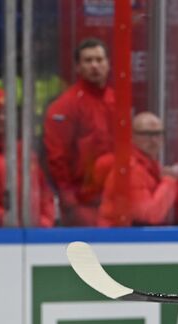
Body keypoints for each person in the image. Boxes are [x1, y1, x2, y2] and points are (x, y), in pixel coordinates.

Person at [43, 38, 116, 226]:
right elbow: (57, 155)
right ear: (78, 67)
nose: (95, 65)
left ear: (108, 64)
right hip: (82, 201)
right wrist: (68, 197)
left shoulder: (116, 100)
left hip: (115, 196)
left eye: (99, 60)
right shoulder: (65, 105)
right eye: (88, 60)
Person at [0, 86, 56, 227]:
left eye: (6, 113)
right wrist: (8, 221)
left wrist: (44, 221)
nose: (2, 118)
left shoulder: (24, 152)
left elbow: (43, 192)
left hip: (32, 232)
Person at [94, 112, 178, 227]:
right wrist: (169, 182)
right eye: (146, 134)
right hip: (120, 240)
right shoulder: (130, 169)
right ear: (131, 136)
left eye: (158, 134)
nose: (154, 140)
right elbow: (149, 216)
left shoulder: (150, 166)